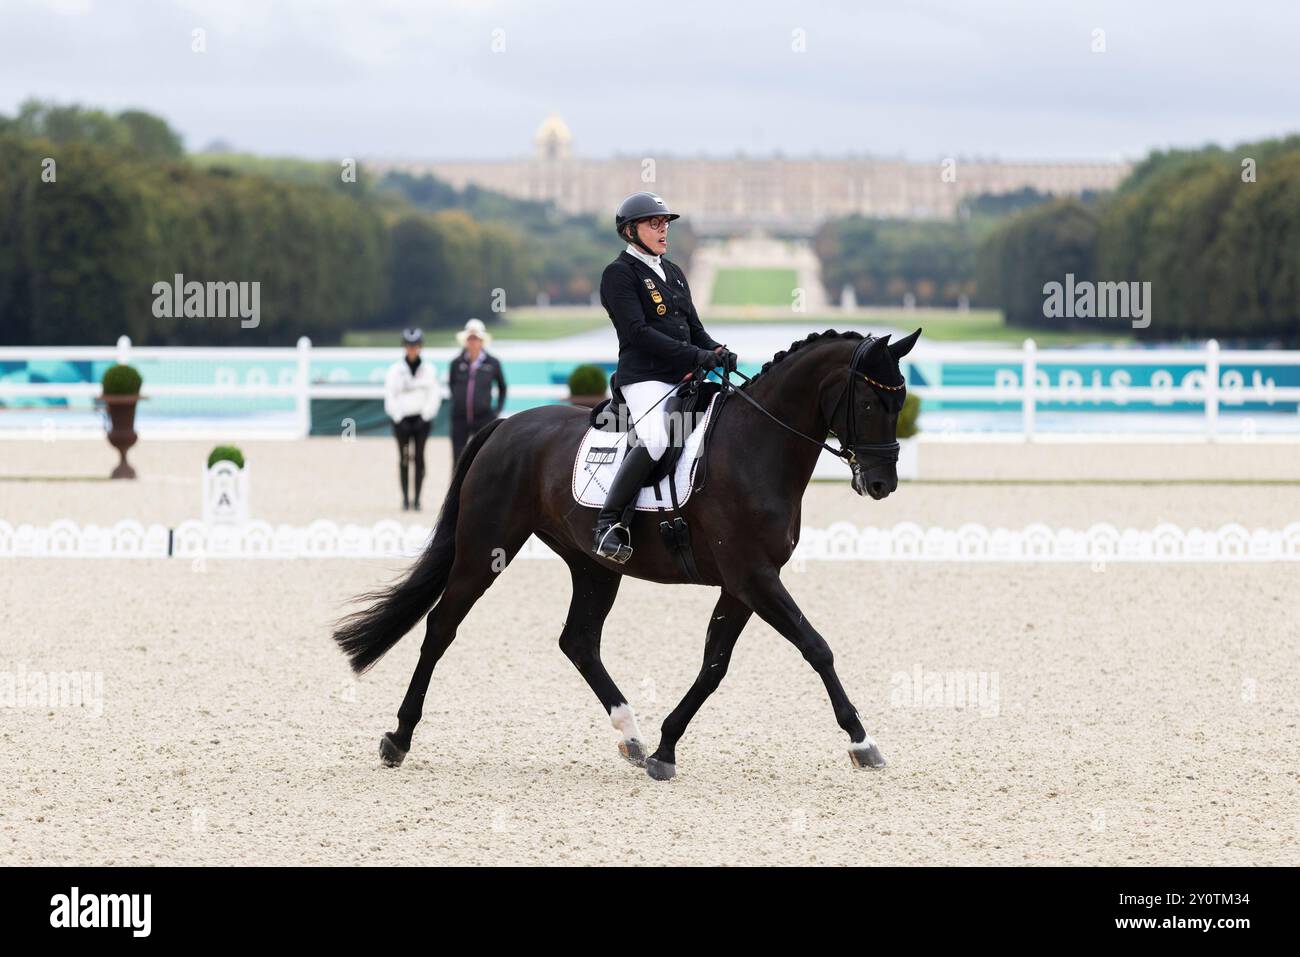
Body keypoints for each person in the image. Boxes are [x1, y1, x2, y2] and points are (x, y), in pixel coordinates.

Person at [592, 191, 737, 563]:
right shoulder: (619, 274)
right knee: (657, 437)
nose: (663, 230)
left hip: (683, 375)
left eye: (665, 223)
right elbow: (638, 333)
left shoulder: (672, 271)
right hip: (645, 378)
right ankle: (609, 524)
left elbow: (694, 329)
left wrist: (718, 351)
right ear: (629, 231)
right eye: (654, 224)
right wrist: (696, 355)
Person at [384, 328, 441, 511]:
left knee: (419, 458)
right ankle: (404, 499)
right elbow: (390, 395)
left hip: (421, 420)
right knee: (403, 458)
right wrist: (397, 416)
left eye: (415, 346)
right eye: (409, 346)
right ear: (404, 347)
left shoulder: (429, 370)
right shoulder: (395, 370)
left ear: (420, 347)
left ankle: (417, 499)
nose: (412, 349)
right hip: (402, 420)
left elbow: (434, 395)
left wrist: (426, 415)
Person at [448, 318, 507, 465]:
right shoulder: (456, 363)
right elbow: (452, 384)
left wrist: (497, 409)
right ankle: (457, 488)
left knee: (482, 457)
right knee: (458, 458)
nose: (473, 342)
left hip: (483, 418)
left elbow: (502, 387)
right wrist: (457, 400)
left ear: (482, 341)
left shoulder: (493, 363)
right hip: (460, 418)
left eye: (476, 338)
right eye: (470, 338)